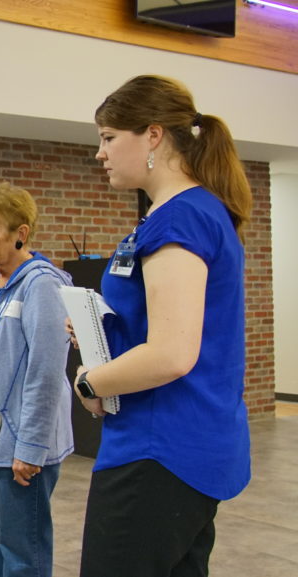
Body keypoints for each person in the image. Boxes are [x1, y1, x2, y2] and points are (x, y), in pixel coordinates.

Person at [75, 75, 251, 577]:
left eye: (109, 137)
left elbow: (173, 353)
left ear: (153, 135)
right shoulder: (183, 214)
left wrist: (90, 380)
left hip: (160, 452)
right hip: (178, 444)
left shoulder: (181, 219)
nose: (100, 153)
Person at [0, 182, 74, 577]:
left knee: (24, 550)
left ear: (20, 234)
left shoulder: (43, 284)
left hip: (23, 443)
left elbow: (45, 371)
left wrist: (32, 445)